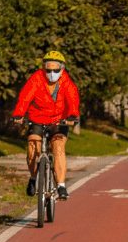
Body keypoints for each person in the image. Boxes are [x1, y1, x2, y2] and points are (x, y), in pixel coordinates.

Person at [11, 50, 80, 199]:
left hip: (58, 121)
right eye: (48, 70)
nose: (52, 73)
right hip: (37, 119)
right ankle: (34, 178)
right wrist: (19, 114)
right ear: (43, 68)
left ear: (62, 69)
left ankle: (61, 185)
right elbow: (25, 97)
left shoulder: (66, 82)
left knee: (58, 147)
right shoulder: (36, 79)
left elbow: (72, 98)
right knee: (32, 149)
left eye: (56, 70)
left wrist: (72, 115)